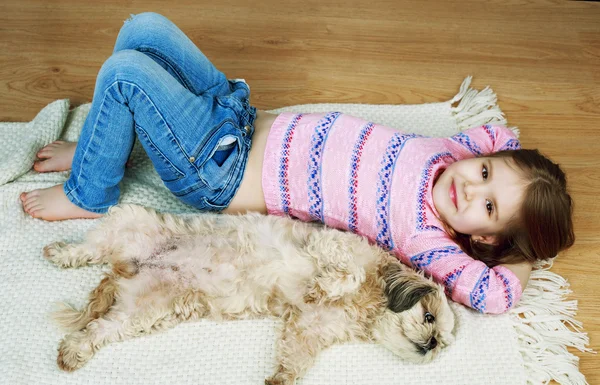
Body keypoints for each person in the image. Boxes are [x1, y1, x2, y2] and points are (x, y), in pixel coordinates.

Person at [20, 12, 574, 314]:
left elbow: (492, 295)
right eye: (485, 173)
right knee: (144, 29)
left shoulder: (427, 236)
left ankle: (88, 191)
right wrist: (512, 179)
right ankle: (103, 147)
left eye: (488, 206)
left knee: (125, 74)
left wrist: (519, 254)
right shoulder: (455, 158)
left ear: (480, 240)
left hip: (218, 168)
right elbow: (500, 135)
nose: (472, 188)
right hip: (236, 116)